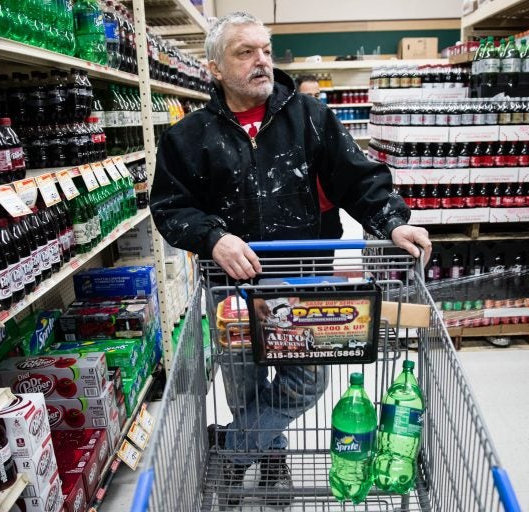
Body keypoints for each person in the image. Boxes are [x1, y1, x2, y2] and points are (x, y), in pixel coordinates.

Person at [150, 11, 431, 507]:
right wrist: (212, 236)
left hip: (303, 281)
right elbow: (171, 208)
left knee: (307, 380)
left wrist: (393, 220)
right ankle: (270, 454)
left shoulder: (312, 117)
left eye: (265, 50)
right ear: (214, 67)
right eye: (245, 52)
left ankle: (235, 449)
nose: (261, 61)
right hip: (230, 289)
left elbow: (358, 179)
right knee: (243, 381)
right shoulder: (187, 137)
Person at [295, 74, 344, 243]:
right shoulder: (288, 130)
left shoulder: (329, 125)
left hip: (328, 208)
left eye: (317, 96)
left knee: (326, 260)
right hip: (300, 211)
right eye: (307, 96)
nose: (314, 101)